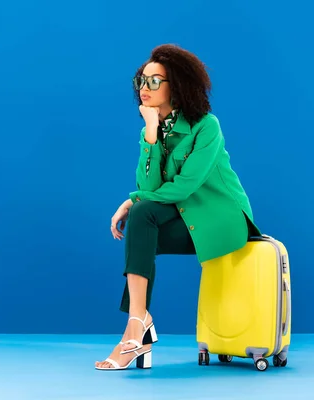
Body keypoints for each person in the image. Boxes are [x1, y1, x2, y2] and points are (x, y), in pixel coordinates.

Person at [95, 44, 260, 371]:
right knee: (143, 220)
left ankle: (137, 331)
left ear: (178, 86)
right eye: (140, 81)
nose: (144, 89)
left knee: (140, 213)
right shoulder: (150, 129)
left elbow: (185, 186)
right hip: (180, 215)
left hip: (218, 219)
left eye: (154, 81)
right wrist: (152, 135)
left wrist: (130, 201)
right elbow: (151, 190)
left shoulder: (206, 126)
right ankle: (136, 324)